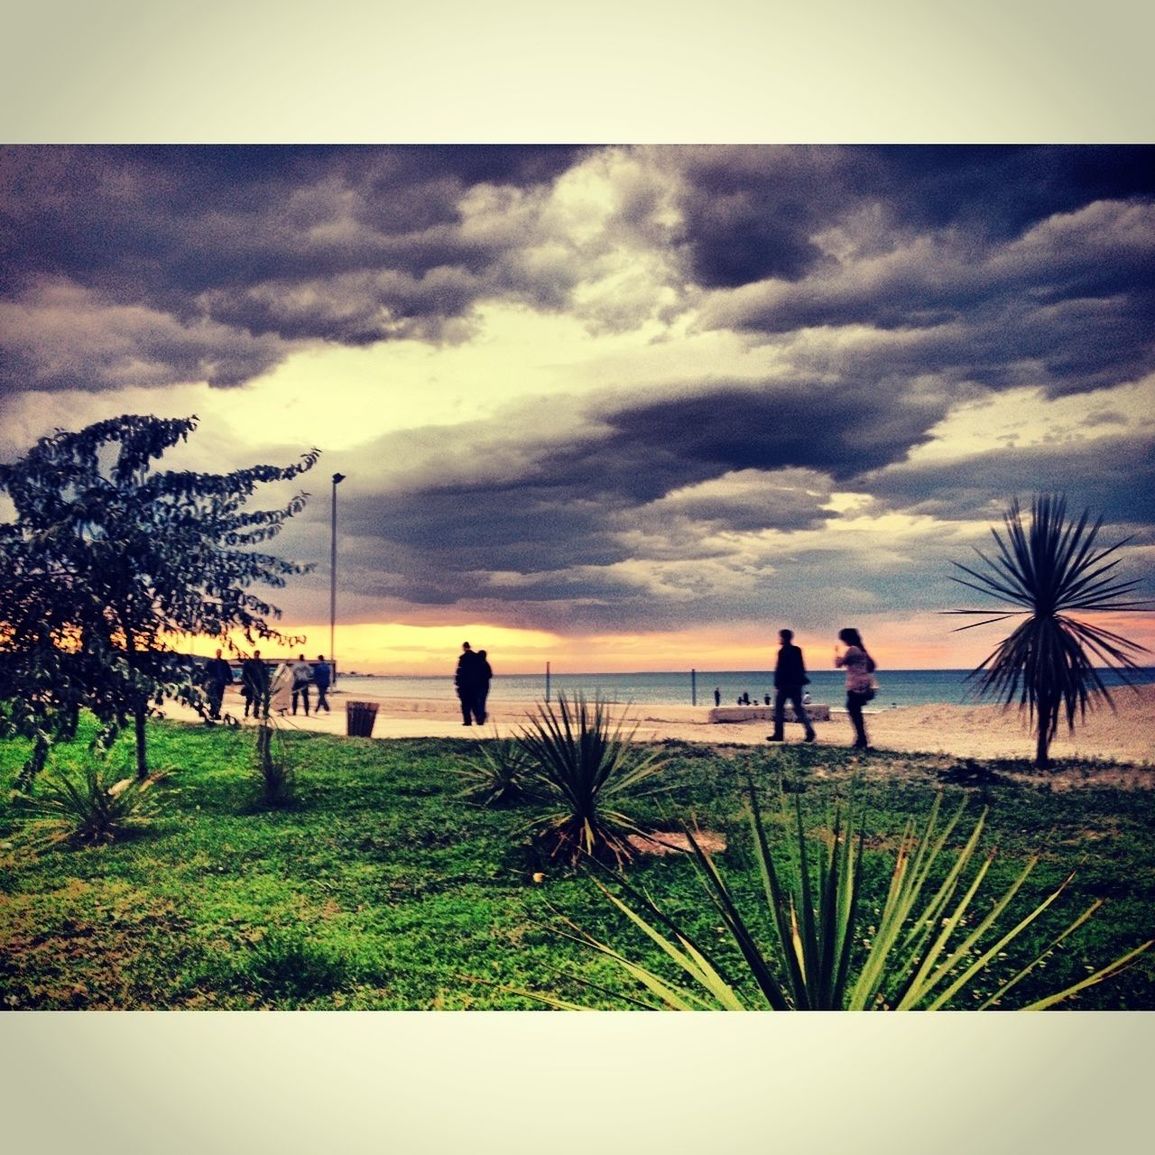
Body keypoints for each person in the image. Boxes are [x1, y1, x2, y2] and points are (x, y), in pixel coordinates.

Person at [769, 629, 816, 743]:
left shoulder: (782, 651)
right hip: (796, 684)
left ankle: (779, 734)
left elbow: (779, 668)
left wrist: (777, 683)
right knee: (798, 709)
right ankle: (810, 732)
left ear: (783, 638)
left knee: (779, 709)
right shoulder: (797, 650)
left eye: (780, 637)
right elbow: (802, 667)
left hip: (785, 684)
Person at [834, 627, 876, 750]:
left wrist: (837, 654)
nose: (843, 642)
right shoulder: (862, 650)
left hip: (855, 683)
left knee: (853, 710)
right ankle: (861, 738)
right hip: (863, 682)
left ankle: (861, 738)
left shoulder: (852, 650)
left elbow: (838, 664)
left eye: (843, 639)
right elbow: (872, 666)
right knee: (855, 710)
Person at [454, 642, 482, 725]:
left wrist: (457, 683)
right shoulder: (476, 658)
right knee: (474, 703)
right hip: (474, 685)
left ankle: (467, 721)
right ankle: (478, 719)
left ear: (464, 647)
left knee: (465, 704)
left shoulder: (463, 658)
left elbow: (459, 672)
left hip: (464, 685)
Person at [203, 648, 232, 721]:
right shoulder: (211, 662)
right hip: (213, 683)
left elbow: (228, 671)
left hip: (221, 683)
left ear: (221, 653)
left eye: (220, 652)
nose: (219, 654)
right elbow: (206, 671)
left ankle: (216, 713)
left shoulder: (224, 662)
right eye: (218, 652)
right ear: (216, 653)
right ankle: (212, 712)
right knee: (213, 698)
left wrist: (230, 679)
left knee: (219, 698)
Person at [241, 650, 270, 719]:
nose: (256, 656)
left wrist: (266, 682)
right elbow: (245, 673)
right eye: (256, 655)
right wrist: (246, 682)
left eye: (258, 655)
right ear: (254, 655)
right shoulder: (250, 663)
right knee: (249, 699)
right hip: (251, 684)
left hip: (259, 684)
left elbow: (264, 674)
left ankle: (256, 713)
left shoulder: (261, 663)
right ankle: (246, 710)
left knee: (257, 699)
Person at [474, 649, 494, 725]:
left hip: (481, 686)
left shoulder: (481, 664)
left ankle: (480, 717)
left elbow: (490, 675)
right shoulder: (485, 664)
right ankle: (480, 717)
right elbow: (490, 675)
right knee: (481, 702)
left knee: (479, 702)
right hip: (484, 685)